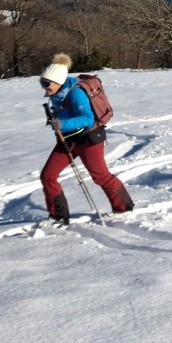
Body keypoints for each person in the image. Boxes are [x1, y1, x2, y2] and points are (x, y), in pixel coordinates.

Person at [39, 53, 134, 222]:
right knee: (48, 175)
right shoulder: (56, 94)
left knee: (100, 176)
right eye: (42, 82)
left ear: (58, 81)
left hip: (89, 139)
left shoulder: (76, 94)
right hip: (68, 139)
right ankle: (58, 217)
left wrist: (61, 124)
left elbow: (87, 119)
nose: (43, 87)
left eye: (46, 83)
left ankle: (124, 207)